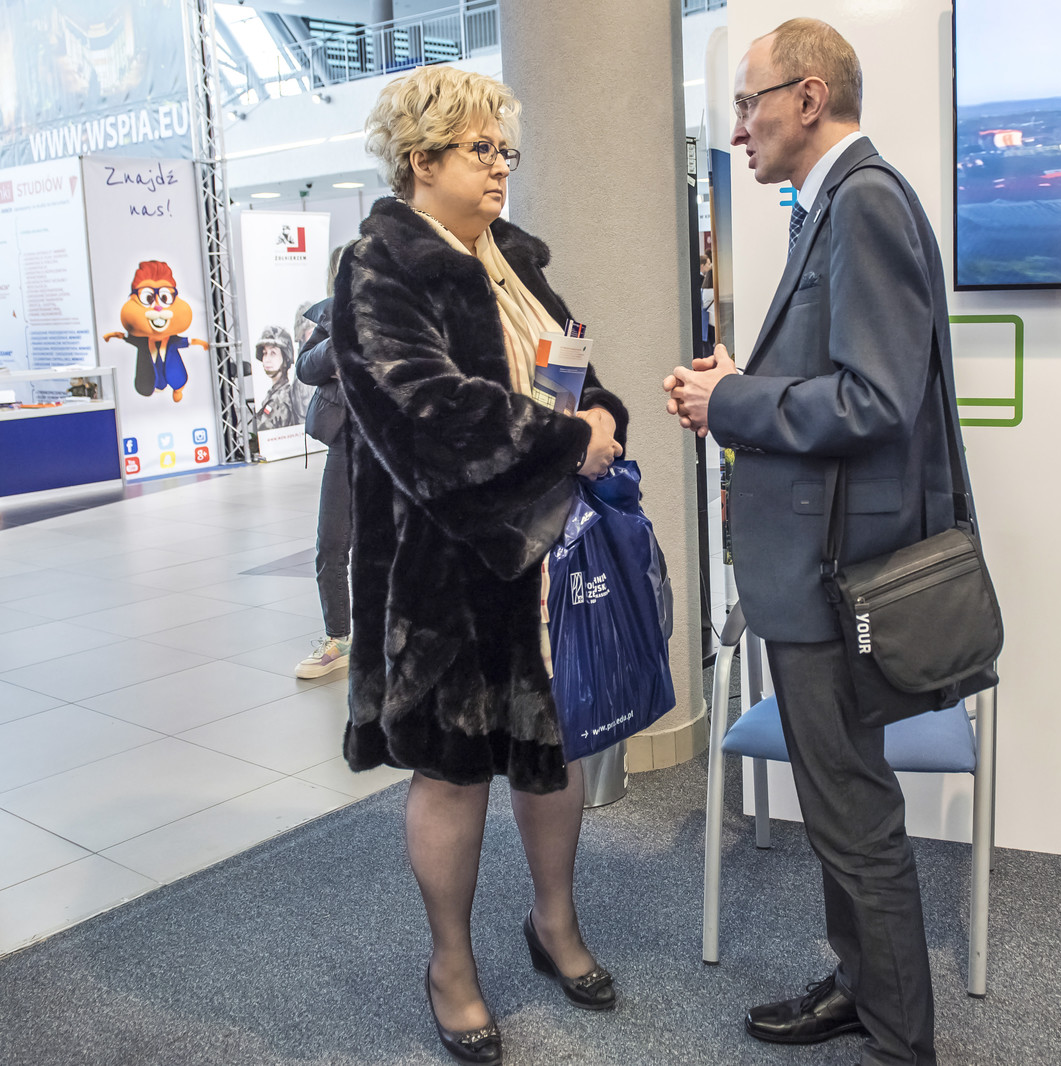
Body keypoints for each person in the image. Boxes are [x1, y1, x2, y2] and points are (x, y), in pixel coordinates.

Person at [665, 18, 963, 1066]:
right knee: (842, 806)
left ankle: (899, 1039)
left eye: (748, 103)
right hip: (820, 571)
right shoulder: (835, 202)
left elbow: (875, 399)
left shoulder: (863, 201)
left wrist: (732, 401)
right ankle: (862, 987)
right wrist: (739, 388)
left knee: (852, 812)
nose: (737, 128)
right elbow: (839, 379)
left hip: (834, 580)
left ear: (807, 97)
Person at [331, 64, 627, 1066]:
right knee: (452, 770)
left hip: (544, 556)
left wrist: (602, 419)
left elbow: (582, 376)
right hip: (440, 573)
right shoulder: (379, 267)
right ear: (421, 160)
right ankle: (450, 966)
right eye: (481, 149)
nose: (502, 166)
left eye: (507, 150)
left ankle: (553, 923)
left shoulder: (513, 262)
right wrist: (572, 439)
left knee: (550, 752)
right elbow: (428, 412)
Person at [291, 243, 357, 679]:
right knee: (332, 544)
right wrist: (339, 346)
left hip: (394, 445)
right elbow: (304, 368)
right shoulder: (331, 316)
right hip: (345, 444)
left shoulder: (403, 312)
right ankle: (338, 639)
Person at [252, 325, 310, 431]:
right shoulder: (274, 394)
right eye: (265, 353)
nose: (267, 359)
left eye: (273, 353)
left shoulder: (282, 398)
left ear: (285, 357)